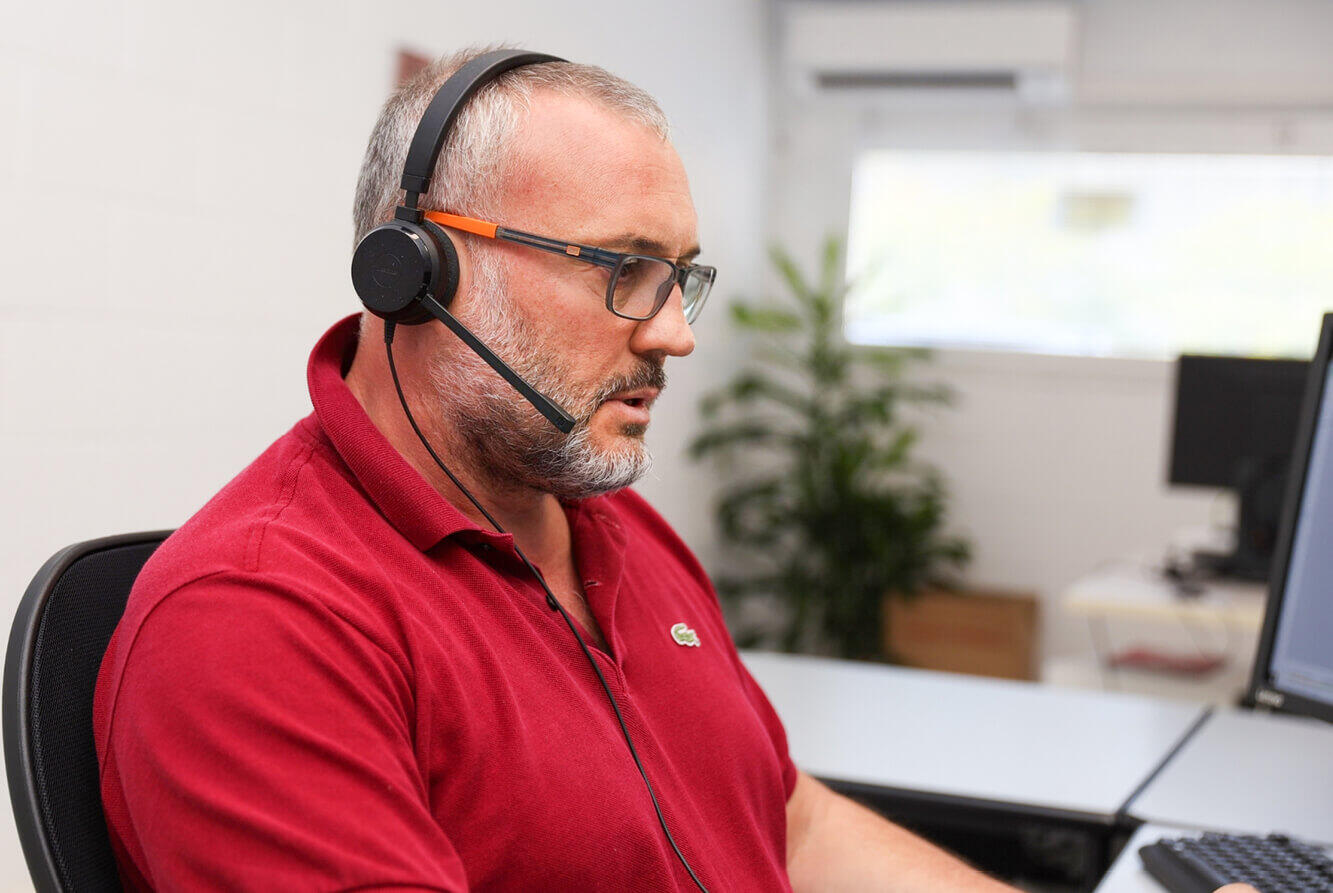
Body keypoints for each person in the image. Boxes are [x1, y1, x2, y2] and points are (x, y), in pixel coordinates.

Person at [92, 46, 1030, 891]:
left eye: (679, 276)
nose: (674, 334)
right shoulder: (259, 617)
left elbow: (791, 823)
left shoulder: (610, 525)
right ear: (417, 272)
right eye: (625, 269)